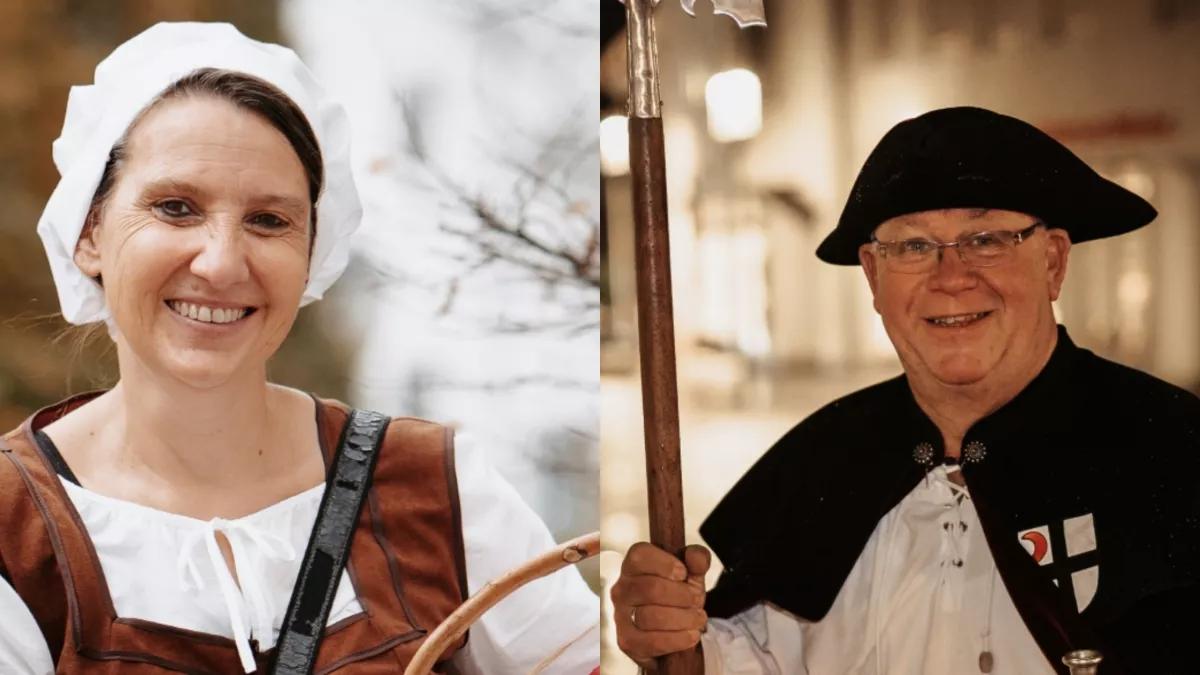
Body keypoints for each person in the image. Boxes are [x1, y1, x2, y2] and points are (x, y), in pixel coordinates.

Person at [0, 22, 598, 674]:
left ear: (312, 252)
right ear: (88, 232)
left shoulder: (435, 488)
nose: (222, 263)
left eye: (269, 220)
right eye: (176, 207)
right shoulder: (12, 526)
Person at [611, 107, 1200, 674]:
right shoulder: (821, 460)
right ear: (873, 274)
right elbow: (757, 658)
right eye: (914, 247)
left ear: (1052, 261)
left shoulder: (1175, 449)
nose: (952, 278)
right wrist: (677, 641)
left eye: (987, 238)